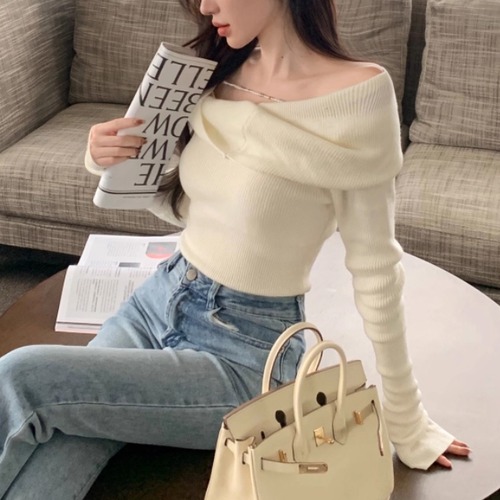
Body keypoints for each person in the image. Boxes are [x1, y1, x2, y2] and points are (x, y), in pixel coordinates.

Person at [0, 0, 470, 497]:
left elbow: (376, 268)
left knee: (22, 378)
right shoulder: (219, 73)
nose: (206, 7)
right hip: (154, 305)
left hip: (245, 353)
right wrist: (110, 162)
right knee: (65, 432)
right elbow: (197, 211)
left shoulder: (358, 96)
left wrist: (407, 419)